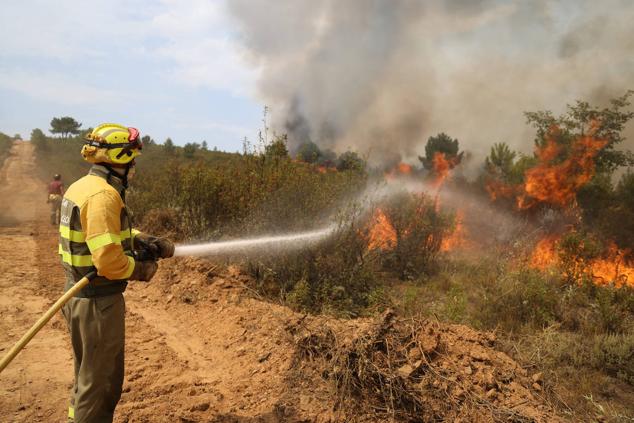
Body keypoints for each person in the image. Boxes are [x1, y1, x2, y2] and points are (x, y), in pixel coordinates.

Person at [59, 123, 175, 422]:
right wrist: (142, 268)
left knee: (87, 378)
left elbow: (103, 232)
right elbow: (109, 262)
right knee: (100, 386)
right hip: (98, 302)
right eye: (132, 158)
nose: (134, 165)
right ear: (120, 158)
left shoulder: (82, 187)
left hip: (78, 296)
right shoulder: (103, 196)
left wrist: (139, 238)